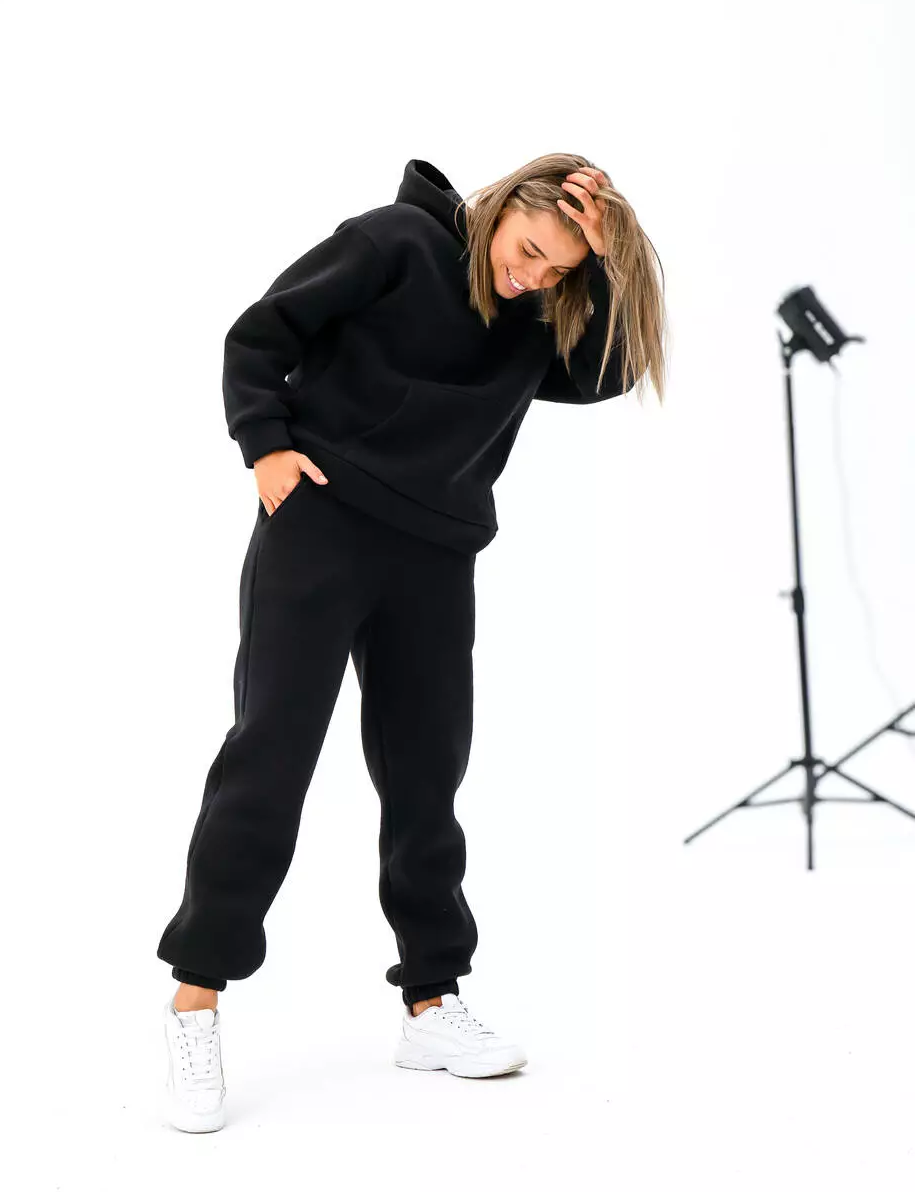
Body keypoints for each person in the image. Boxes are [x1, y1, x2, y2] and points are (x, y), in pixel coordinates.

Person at [158, 155, 668, 1131]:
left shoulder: (539, 314)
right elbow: (261, 333)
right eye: (528, 251)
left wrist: (605, 269)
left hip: (434, 556)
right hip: (319, 528)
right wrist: (265, 445)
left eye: (556, 269)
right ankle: (195, 1001)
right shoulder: (394, 244)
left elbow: (608, 373)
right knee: (269, 759)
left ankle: (431, 1005)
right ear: (501, 210)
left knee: (428, 777)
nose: (531, 276)